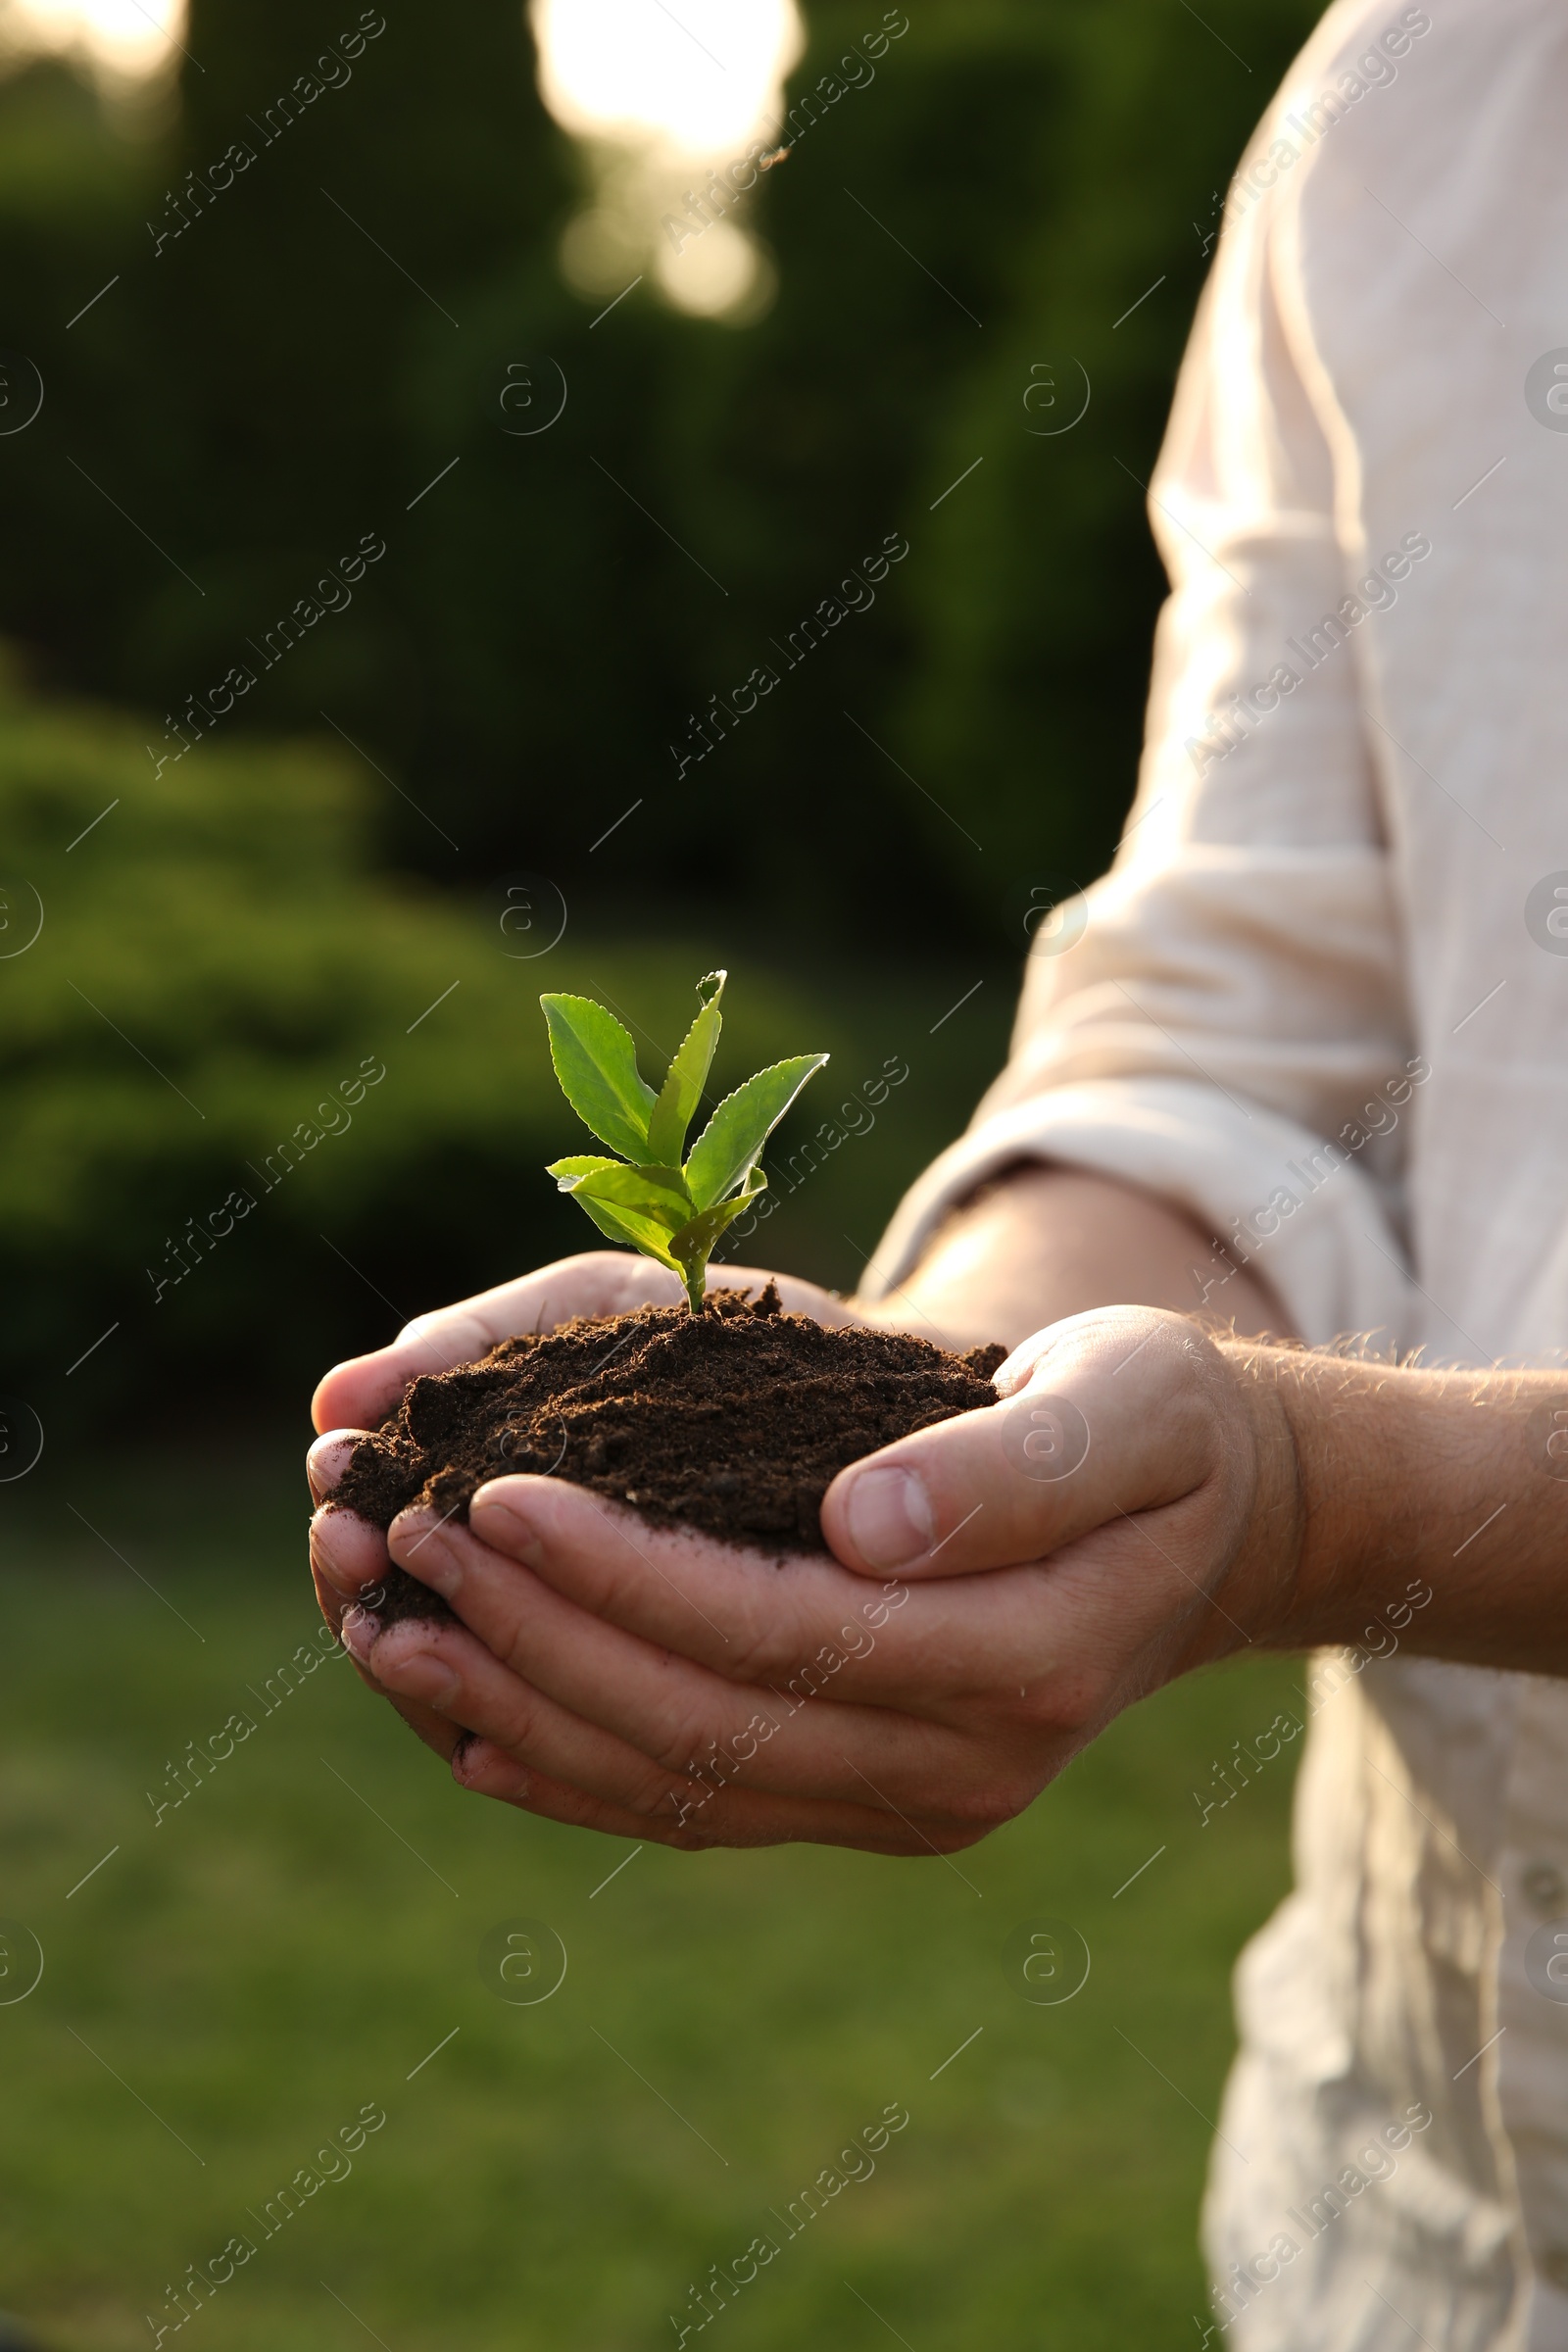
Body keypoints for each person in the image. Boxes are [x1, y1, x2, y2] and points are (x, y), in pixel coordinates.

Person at [309, 0, 1568, 2341]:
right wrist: (934, 1396)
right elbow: (1234, 1024)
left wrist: (1313, 1507)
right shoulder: (1426, 90)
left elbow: (1297, 1463)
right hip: (1414, 2213)